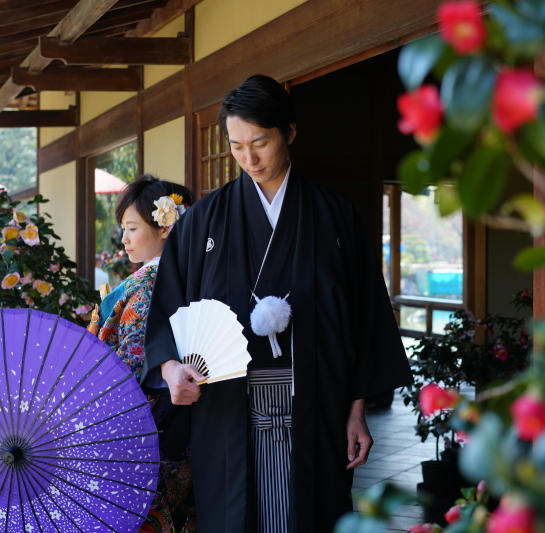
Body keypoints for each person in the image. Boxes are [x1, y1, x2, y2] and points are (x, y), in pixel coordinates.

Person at [142, 75, 413, 533]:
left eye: (261, 142)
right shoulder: (203, 221)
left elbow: (365, 318)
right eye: (236, 146)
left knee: (312, 513)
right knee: (232, 517)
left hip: (317, 402)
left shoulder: (334, 216)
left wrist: (356, 409)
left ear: (289, 132)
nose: (249, 158)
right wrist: (170, 370)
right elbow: (169, 309)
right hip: (226, 406)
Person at [92, 174, 196, 533]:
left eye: (132, 228)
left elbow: (131, 366)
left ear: (165, 227)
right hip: (172, 433)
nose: (124, 239)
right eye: (123, 228)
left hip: (140, 432)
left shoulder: (149, 285)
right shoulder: (182, 277)